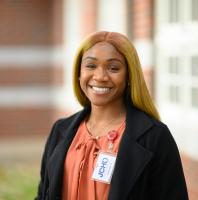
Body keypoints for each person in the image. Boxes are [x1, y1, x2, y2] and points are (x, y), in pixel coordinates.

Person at [35, 31, 188, 200]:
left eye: (113, 68)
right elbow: (43, 194)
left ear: (129, 76)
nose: (100, 76)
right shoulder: (60, 130)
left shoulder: (155, 137)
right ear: (79, 73)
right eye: (91, 66)